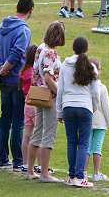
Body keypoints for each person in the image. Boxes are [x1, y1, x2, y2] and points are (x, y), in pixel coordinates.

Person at [0, 0, 34, 171]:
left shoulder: (1, 27)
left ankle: (2, 158)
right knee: (18, 121)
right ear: (31, 11)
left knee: (4, 119)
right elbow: (16, 54)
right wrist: (3, 69)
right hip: (17, 81)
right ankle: (17, 161)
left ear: (16, 7)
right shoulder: (23, 31)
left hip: (4, 82)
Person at [56, 36, 100, 188]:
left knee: (71, 141)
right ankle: (80, 176)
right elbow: (95, 93)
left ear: (72, 48)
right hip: (85, 107)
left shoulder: (64, 65)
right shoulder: (91, 67)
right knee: (83, 142)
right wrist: (92, 108)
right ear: (87, 49)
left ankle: (71, 175)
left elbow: (60, 90)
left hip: (68, 106)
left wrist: (59, 112)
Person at [26, 21, 66, 183]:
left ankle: (30, 170)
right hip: (49, 97)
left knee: (37, 131)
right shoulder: (50, 53)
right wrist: (60, 94)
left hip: (38, 94)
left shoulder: (40, 49)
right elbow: (49, 77)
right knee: (49, 134)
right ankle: (44, 173)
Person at [84, 57, 109, 182]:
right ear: (99, 70)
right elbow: (105, 107)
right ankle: (96, 173)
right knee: (97, 147)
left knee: (86, 147)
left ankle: (84, 172)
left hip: (87, 121)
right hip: (100, 123)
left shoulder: (85, 86)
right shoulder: (102, 88)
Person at [19, 44, 38, 173]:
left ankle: (25, 163)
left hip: (27, 104)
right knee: (38, 136)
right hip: (36, 104)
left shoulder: (23, 70)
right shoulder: (34, 72)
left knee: (27, 135)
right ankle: (40, 165)